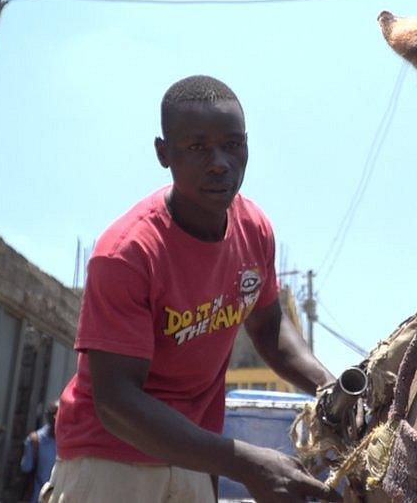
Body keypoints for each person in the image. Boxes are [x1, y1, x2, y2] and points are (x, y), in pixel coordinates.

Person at [45, 76, 340, 503]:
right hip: (108, 461)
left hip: (196, 459)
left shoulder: (253, 229)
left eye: (232, 145)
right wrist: (244, 461)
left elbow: (270, 328)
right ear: (164, 154)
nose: (219, 162)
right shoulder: (127, 253)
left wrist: (332, 389)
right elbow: (117, 403)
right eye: (197, 148)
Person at [19, 400, 58, 502]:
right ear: (48, 417)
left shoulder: (68, 443)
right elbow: (26, 470)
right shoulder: (35, 441)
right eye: (55, 416)